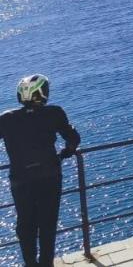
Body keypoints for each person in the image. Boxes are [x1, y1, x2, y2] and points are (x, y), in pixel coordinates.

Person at [0, 75, 80, 267]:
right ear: (42, 94)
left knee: (25, 225)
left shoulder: (6, 118)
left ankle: (30, 264)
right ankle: (46, 264)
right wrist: (65, 154)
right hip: (50, 176)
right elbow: (73, 138)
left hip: (21, 180)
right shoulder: (54, 113)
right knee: (48, 224)